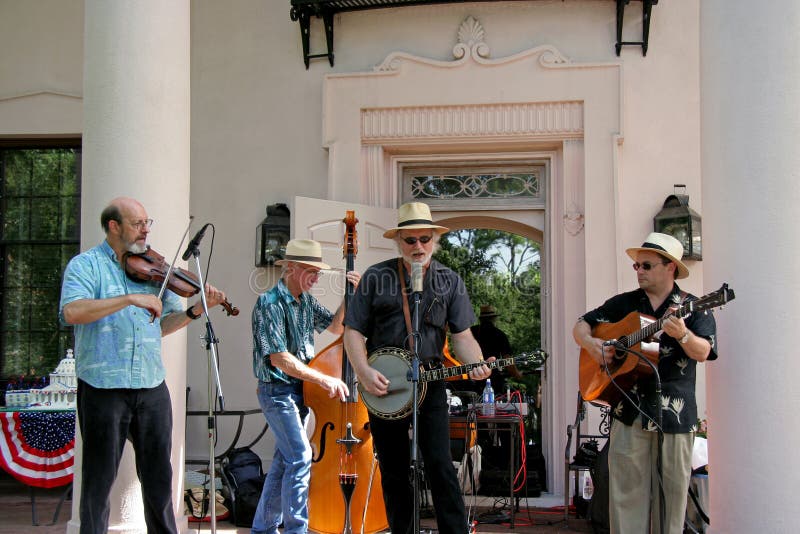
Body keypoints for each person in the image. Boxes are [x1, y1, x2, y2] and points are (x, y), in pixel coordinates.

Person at [59, 197, 228, 534]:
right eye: (138, 223)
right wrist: (129, 298)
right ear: (113, 226)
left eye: (148, 222)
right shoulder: (86, 265)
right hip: (103, 389)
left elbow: (164, 324)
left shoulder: (154, 269)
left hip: (151, 386)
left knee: (159, 480)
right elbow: (72, 312)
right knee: (98, 481)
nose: (146, 229)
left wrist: (196, 311)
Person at [343, 202, 492, 534]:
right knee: (394, 469)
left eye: (425, 239)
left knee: (440, 465)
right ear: (399, 242)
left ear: (435, 240)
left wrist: (477, 364)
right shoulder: (376, 277)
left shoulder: (449, 280)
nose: (418, 246)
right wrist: (363, 373)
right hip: (383, 385)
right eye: (410, 240)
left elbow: (462, 336)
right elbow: (352, 331)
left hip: (431, 382)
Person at [572, 232, 717, 534]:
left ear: (670, 267)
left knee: (671, 501)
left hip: (674, 416)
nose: (639, 271)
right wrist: (592, 345)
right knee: (625, 501)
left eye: (647, 266)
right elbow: (581, 324)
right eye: (637, 266)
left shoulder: (694, 306)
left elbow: (704, 351)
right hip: (629, 411)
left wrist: (683, 335)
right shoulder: (623, 304)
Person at [250, 238, 360, 534]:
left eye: (318, 272)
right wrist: (323, 378)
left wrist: (349, 298)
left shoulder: (307, 302)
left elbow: (336, 327)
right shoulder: (268, 302)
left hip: (298, 392)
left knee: (284, 463)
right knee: (300, 458)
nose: (315, 278)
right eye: (311, 271)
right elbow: (279, 359)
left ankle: (263, 528)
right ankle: (297, 529)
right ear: (290, 268)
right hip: (277, 392)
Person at [467, 304, 521, 397]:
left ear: (481, 319)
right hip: (493, 382)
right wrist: (517, 374)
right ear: (493, 319)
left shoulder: (471, 331)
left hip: (471, 378)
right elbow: (508, 361)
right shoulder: (499, 335)